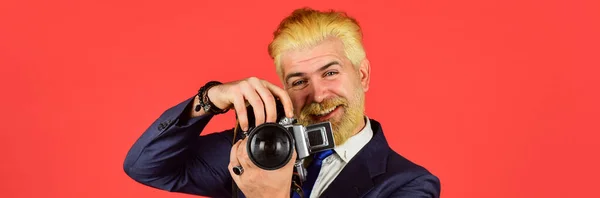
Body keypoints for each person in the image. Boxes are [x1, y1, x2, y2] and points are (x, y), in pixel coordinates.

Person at [123, 7, 441, 198]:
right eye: (299, 81)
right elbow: (146, 166)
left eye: (330, 72)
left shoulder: (408, 184)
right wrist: (209, 99)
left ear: (363, 75)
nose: (317, 95)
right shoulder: (261, 147)